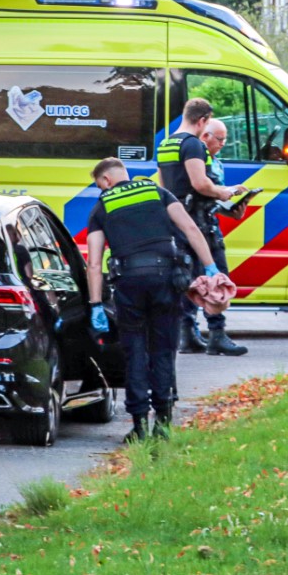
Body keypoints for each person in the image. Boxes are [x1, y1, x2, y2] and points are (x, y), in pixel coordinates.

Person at [85, 157, 221, 442]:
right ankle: (163, 422)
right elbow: (191, 229)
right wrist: (211, 267)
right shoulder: (158, 192)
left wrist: (96, 304)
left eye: (100, 185)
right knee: (163, 349)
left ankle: (138, 426)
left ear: (106, 180)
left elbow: (94, 264)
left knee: (135, 351)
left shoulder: (101, 207)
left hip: (129, 284)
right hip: (166, 280)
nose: (102, 190)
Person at [156, 98, 248, 356]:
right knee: (216, 274)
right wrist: (224, 192)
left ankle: (188, 335)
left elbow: (164, 187)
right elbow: (200, 184)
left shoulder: (165, 144)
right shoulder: (193, 144)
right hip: (201, 221)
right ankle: (217, 334)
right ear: (203, 120)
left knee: (189, 277)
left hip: (179, 221)